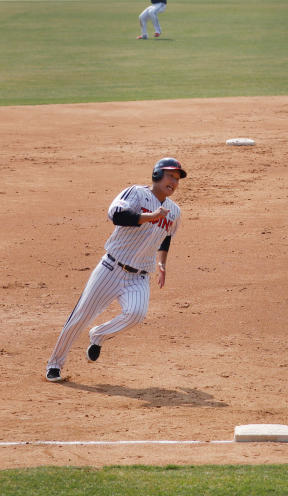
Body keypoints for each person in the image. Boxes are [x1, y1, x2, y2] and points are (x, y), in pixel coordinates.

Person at [46, 157, 186, 382]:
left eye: (177, 178)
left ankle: (98, 335)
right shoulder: (136, 194)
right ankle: (55, 365)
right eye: (170, 175)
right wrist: (150, 217)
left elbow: (166, 236)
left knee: (136, 314)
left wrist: (162, 263)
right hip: (111, 268)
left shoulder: (174, 211)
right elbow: (117, 216)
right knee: (81, 316)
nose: (174, 181)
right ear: (157, 175)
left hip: (139, 276)